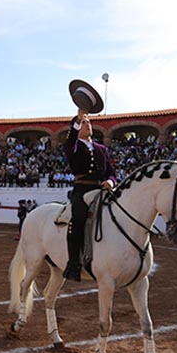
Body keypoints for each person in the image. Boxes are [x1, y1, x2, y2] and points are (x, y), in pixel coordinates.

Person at [63, 101, 116, 281]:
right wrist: (77, 120)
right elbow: (70, 142)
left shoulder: (102, 149)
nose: (88, 124)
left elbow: (111, 172)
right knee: (77, 218)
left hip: (101, 189)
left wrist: (110, 181)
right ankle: (73, 264)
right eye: (84, 123)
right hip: (82, 189)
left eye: (89, 122)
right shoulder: (73, 146)